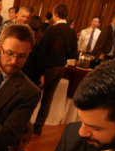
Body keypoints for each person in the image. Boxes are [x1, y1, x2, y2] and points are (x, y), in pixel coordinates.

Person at [33, 3, 77, 136]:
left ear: (55, 14)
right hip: (61, 69)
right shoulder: (71, 32)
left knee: (33, 94)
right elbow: (73, 55)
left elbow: (41, 52)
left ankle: (24, 123)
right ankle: (38, 127)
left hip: (48, 68)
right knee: (48, 97)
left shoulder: (51, 30)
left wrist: (40, 72)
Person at [21, 15, 44, 87]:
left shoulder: (24, 35)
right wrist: (42, 74)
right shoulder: (41, 38)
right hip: (34, 71)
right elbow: (41, 59)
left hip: (23, 65)